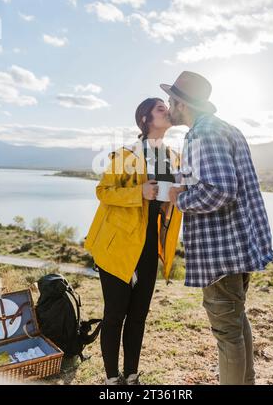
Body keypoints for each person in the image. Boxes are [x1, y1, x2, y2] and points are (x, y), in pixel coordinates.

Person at [164, 71, 273, 385]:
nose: (167, 106)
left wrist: (181, 198)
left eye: (171, 100)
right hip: (240, 244)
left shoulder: (203, 133)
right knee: (236, 324)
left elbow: (220, 190)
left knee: (227, 333)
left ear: (182, 104)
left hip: (221, 250)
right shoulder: (224, 129)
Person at [84, 98, 182, 385]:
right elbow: (103, 191)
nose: (167, 111)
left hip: (151, 244)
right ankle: (113, 379)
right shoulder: (126, 155)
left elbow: (169, 202)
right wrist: (138, 192)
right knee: (114, 315)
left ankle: (132, 375)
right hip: (118, 246)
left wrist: (174, 198)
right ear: (145, 119)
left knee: (139, 315)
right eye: (161, 108)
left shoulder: (175, 157)